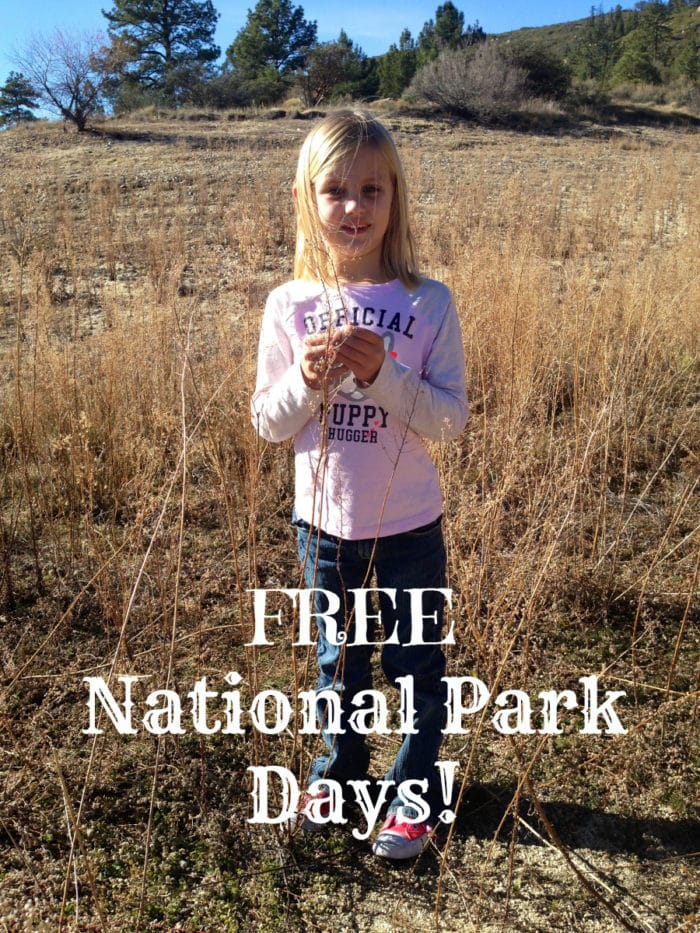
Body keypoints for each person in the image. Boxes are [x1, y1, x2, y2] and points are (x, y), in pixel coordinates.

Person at [251, 110, 468, 859]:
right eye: (336, 189)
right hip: (321, 522)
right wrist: (309, 383)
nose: (354, 207)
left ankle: (414, 796)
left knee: (416, 660)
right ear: (306, 198)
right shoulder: (289, 304)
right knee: (337, 660)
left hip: (410, 521)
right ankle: (337, 776)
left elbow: (447, 420)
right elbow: (269, 423)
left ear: (395, 197)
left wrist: (382, 374)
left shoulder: (427, 301)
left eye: (371, 189)